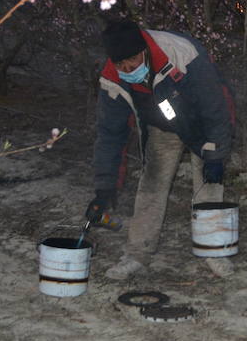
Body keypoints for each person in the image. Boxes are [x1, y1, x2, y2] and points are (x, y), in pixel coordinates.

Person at [88, 18, 236, 280]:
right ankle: (137, 253)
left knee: (209, 185)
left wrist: (216, 153)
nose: (127, 68)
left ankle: (214, 251)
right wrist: (105, 186)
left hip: (202, 123)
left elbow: (216, 105)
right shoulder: (113, 79)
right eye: (121, 64)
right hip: (161, 125)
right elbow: (110, 134)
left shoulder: (181, 53)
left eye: (132, 61)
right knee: (151, 183)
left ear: (143, 50)